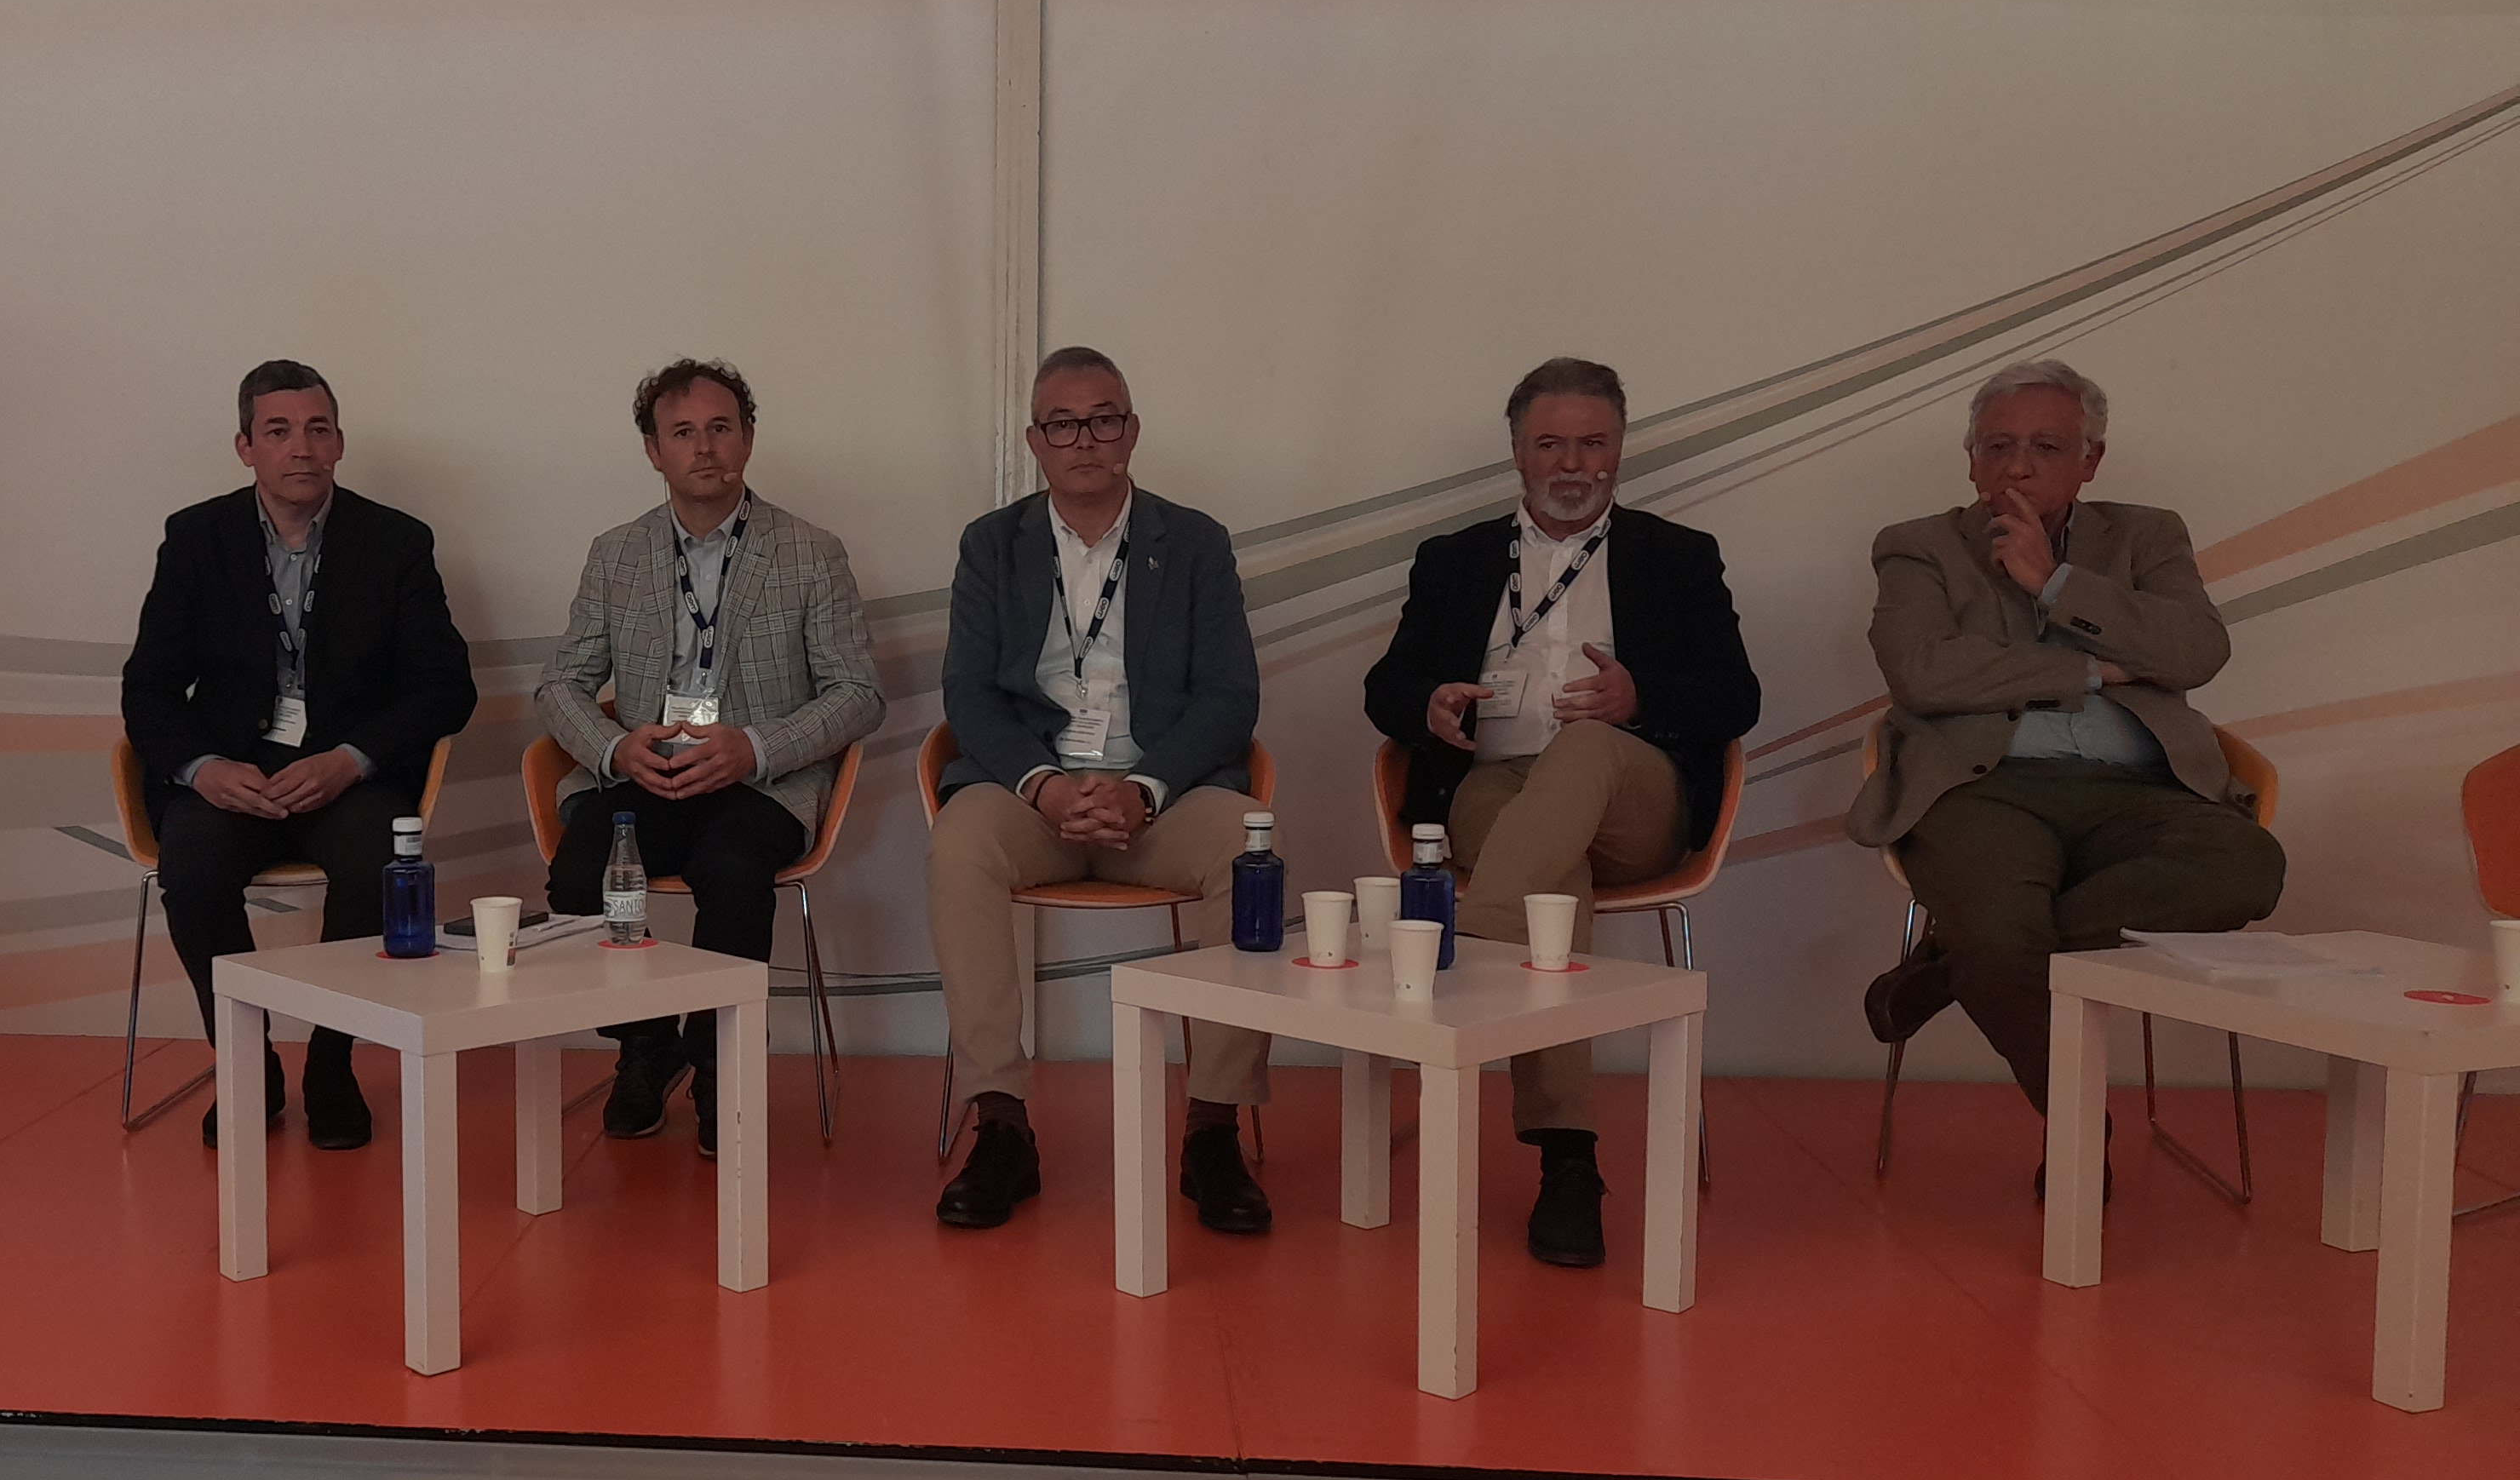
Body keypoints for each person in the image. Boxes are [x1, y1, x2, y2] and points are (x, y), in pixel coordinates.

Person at [1363, 359, 1760, 1267]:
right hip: (1497, 790)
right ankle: (1568, 1162)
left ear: (1619, 450)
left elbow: (1736, 696)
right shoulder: (1453, 560)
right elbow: (1386, 687)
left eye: (1592, 444)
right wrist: (1428, 702)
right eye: (1550, 444)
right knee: (1551, 886)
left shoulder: (1677, 556)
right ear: (1516, 452)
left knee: (1582, 751)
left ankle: (1463, 958)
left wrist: (1639, 697)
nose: (1572, 464)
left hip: (1633, 794)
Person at [1848, 359, 2284, 1159]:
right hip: (1984, 788)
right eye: (1998, 447)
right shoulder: (1919, 547)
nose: (2017, 467)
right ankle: (2080, 1132)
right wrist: (2094, 669)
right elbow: (1924, 673)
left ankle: (1954, 965)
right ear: (1971, 460)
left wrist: (2056, 585)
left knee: (2247, 868)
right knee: (1998, 927)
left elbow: (2196, 651)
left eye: (2046, 447)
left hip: (2143, 790)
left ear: (2091, 461)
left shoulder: (2148, 536)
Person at [929, 347, 1270, 1233]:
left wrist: (1145, 789)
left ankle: (1213, 1129)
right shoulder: (991, 543)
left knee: (1248, 847)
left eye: (1103, 419)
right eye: (1063, 424)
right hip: (1034, 797)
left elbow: (1229, 696)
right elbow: (969, 695)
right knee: (960, 841)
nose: (1084, 439)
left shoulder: (1193, 542)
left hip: (1158, 798)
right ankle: (1001, 1125)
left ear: (1133, 431)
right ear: (1035, 442)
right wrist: (1043, 785)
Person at [122, 359, 476, 1151]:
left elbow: (446, 687)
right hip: (233, 774)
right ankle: (247, 1065)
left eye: (318, 430)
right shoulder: (195, 538)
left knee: (380, 863)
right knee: (192, 866)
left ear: (340, 442)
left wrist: (352, 758)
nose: (302, 448)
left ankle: (329, 1064)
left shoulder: (395, 541)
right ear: (245, 447)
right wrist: (203, 770)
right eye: (278, 432)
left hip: (346, 778)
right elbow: (148, 689)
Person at [537, 359, 882, 1158]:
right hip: (649, 773)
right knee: (579, 875)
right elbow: (561, 684)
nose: (704, 448)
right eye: (683, 432)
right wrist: (617, 748)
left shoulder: (810, 552)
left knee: (731, 869)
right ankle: (648, 1043)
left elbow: (859, 693)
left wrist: (754, 746)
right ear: (653, 450)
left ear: (748, 440)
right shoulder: (616, 554)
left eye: (720, 429)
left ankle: (720, 1063)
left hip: (760, 784)